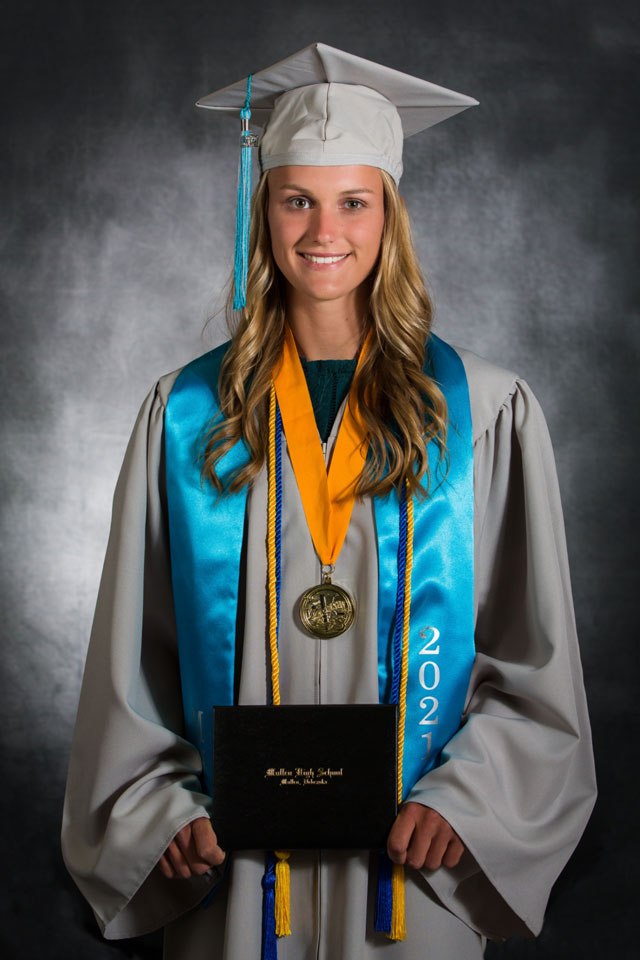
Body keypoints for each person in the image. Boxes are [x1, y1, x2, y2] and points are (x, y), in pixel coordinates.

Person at [62, 43, 596, 960]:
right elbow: (132, 663)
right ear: (262, 210)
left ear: (390, 215)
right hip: (234, 875)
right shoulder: (185, 417)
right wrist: (161, 813)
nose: (324, 230)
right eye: (296, 199)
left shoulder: (482, 413)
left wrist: (465, 801)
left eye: (353, 201)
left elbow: (533, 657)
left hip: (409, 875)